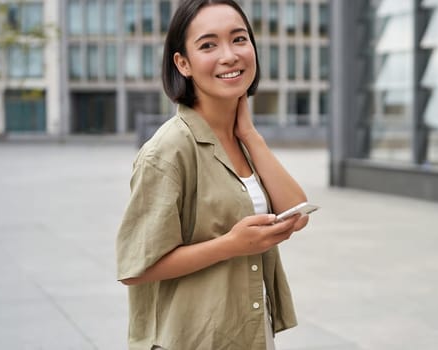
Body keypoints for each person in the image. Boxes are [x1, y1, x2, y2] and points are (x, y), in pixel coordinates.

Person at [116, 1, 310, 349]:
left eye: (239, 39)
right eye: (208, 45)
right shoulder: (168, 150)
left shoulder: (242, 138)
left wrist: (250, 135)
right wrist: (231, 246)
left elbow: (297, 212)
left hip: (248, 332)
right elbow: (136, 267)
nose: (230, 55)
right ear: (183, 63)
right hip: (193, 338)